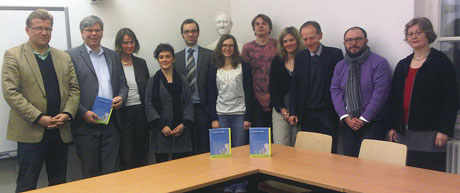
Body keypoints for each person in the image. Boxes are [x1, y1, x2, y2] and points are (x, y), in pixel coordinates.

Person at [2, 9, 80, 192]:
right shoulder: (13, 55)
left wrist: (67, 114)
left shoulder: (64, 57)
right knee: (27, 184)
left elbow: (75, 89)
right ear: (27, 30)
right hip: (31, 133)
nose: (44, 32)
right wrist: (38, 117)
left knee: (59, 183)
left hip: (60, 131)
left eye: (48, 28)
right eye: (39, 28)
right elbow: (10, 92)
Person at [388, 17, 458, 171]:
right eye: (410, 34)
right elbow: (394, 99)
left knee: (429, 179)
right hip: (404, 132)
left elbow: (450, 100)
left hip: (431, 134)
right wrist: (392, 126)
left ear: (428, 35)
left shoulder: (442, 63)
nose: (414, 37)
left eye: (418, 32)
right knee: (405, 176)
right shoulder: (403, 65)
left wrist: (444, 130)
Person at [66, 15, 128, 178]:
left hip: (111, 122)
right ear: (82, 33)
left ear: (102, 32)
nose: (94, 33)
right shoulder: (70, 55)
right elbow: (68, 90)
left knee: (111, 171)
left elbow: (123, 85)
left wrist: (121, 97)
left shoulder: (113, 55)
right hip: (86, 124)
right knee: (90, 172)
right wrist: (82, 112)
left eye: (97, 30)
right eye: (89, 30)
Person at [330, 27, 392, 157]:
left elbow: (380, 93)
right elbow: (335, 91)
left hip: (373, 123)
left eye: (358, 39)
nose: (353, 43)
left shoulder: (379, 63)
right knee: (350, 165)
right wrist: (345, 117)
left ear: (366, 41)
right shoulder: (340, 66)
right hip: (348, 123)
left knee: (370, 166)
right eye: (349, 40)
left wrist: (363, 119)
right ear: (344, 43)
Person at [288, 21, 343, 153]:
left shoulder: (335, 54)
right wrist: (293, 111)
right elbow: (295, 86)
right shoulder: (300, 56)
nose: (308, 42)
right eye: (305, 39)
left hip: (328, 113)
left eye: (312, 38)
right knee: (307, 152)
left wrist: (342, 113)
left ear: (320, 35)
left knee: (329, 152)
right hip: (306, 114)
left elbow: (342, 86)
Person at [208, 34, 253, 193]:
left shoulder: (243, 66)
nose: (227, 48)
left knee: (240, 152)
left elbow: (249, 91)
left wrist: (248, 117)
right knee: (223, 153)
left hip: (240, 113)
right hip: (221, 114)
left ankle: (240, 185)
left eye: (230, 45)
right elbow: (211, 93)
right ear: (220, 48)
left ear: (235, 48)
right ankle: (228, 185)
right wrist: (214, 118)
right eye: (224, 45)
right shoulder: (214, 67)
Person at [145, 43, 194, 163]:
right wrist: (162, 126)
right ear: (157, 59)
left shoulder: (182, 79)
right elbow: (148, 105)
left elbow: (188, 102)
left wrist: (183, 124)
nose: (164, 59)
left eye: (168, 56)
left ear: (173, 58)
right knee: (162, 170)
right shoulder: (153, 81)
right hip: (161, 131)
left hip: (181, 131)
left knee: (181, 167)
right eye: (161, 57)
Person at [174, 18, 213, 154]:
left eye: (193, 31)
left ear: (198, 33)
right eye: (187, 32)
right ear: (182, 35)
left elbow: (213, 84)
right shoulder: (175, 58)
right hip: (184, 110)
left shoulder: (209, 55)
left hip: (203, 108)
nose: (190, 34)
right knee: (186, 147)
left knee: (204, 146)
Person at [114, 28, 150, 170]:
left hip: (141, 111)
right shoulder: (113, 62)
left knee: (142, 150)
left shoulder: (141, 63)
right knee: (126, 153)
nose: (129, 45)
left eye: (132, 42)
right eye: (125, 43)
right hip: (123, 112)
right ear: (119, 44)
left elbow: (147, 89)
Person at [269, 27, 304, 146]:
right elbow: (273, 88)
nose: (288, 44)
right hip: (280, 108)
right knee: (281, 146)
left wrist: (295, 112)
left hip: (300, 110)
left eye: (291, 40)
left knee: (298, 147)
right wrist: (283, 111)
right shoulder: (277, 61)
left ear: (298, 41)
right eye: (285, 41)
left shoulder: (305, 59)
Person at [242, 14, 277, 128]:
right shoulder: (247, 48)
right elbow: (246, 75)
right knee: (259, 136)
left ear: (270, 28)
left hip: (275, 95)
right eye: (257, 24)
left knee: (276, 135)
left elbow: (281, 73)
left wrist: (270, 95)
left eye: (264, 23)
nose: (260, 26)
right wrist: (259, 97)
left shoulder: (278, 45)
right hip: (254, 98)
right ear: (254, 29)